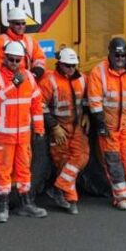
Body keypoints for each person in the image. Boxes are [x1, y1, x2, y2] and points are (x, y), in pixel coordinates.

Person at [0, 38, 46, 222]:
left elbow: (36, 105)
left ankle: (26, 204)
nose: (14, 63)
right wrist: (13, 86)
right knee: (2, 172)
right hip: (3, 136)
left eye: (17, 60)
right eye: (11, 59)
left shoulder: (29, 78)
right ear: (4, 59)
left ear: (23, 61)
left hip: (23, 136)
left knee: (24, 171)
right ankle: (2, 207)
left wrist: (39, 130)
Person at [87, 35, 126, 210]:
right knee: (113, 162)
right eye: (117, 56)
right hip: (109, 127)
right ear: (110, 54)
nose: (120, 60)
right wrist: (100, 124)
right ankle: (120, 196)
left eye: (123, 56)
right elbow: (94, 101)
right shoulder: (98, 72)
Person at [40, 48, 89, 211]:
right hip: (59, 127)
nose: (71, 69)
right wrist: (54, 127)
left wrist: (87, 115)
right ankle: (70, 200)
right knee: (63, 162)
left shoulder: (82, 79)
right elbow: (40, 106)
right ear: (60, 64)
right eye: (68, 66)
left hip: (76, 127)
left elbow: (89, 99)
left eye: (74, 66)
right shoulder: (49, 81)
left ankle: (58, 188)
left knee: (81, 157)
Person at [0, 1, 33, 75]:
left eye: (23, 23)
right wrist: (6, 81)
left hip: (25, 79)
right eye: (17, 24)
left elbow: (40, 59)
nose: (21, 26)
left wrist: (36, 72)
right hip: (6, 81)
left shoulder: (29, 40)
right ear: (10, 24)